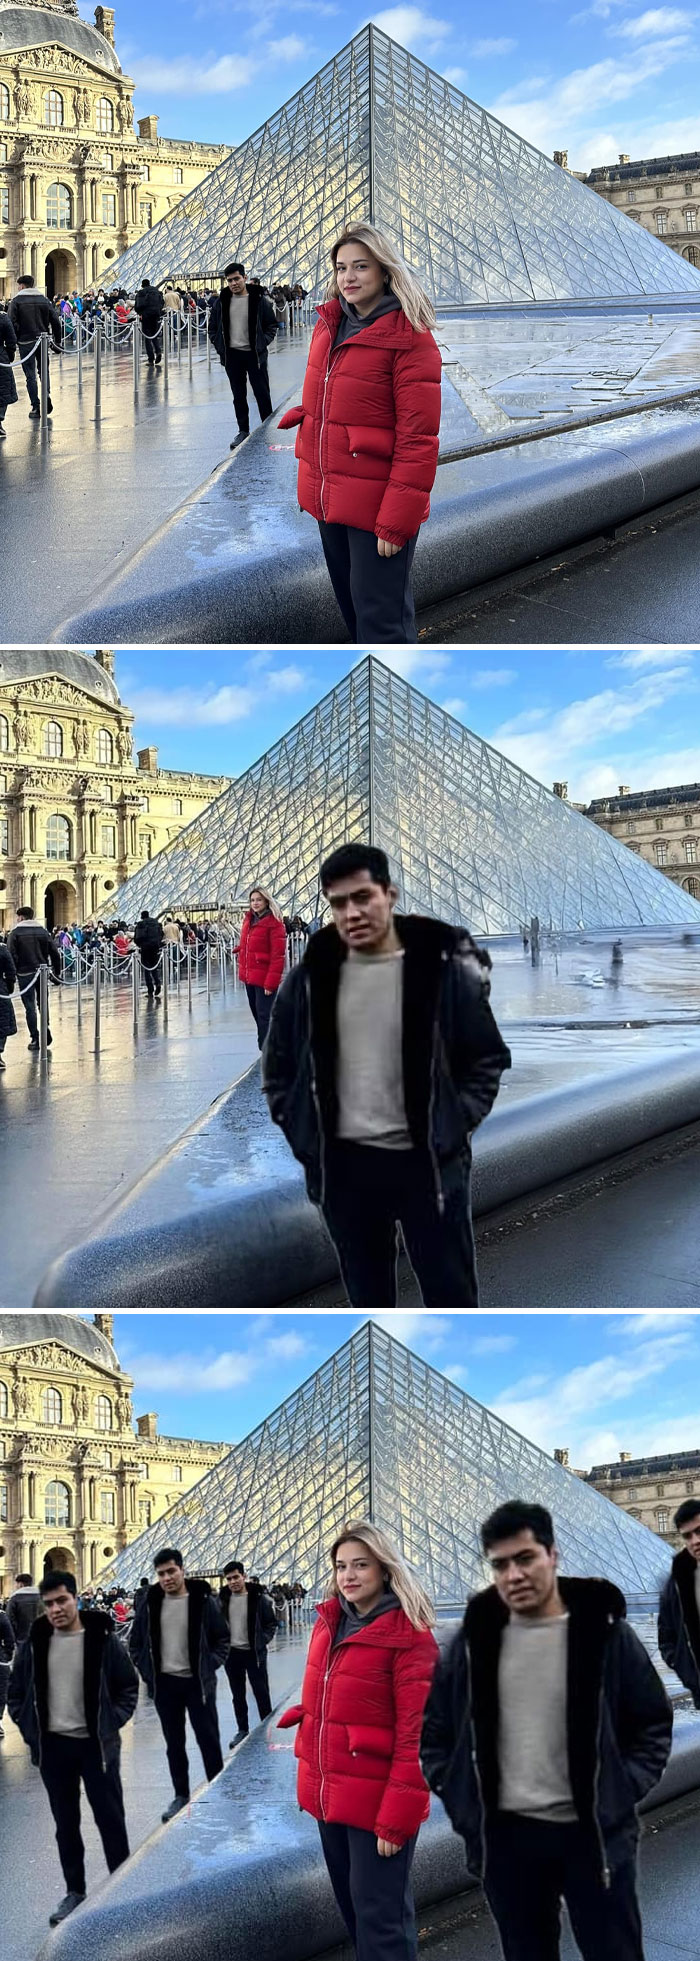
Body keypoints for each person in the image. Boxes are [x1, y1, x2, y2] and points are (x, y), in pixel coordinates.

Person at [420, 1499, 673, 1961]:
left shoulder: (609, 1636)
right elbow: (436, 1735)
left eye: (525, 1558)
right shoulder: (472, 1646)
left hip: (591, 1836)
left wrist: (618, 1788)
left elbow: (652, 1724)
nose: (513, 1574)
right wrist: (465, 1809)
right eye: (500, 1564)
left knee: (614, 1952)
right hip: (508, 1841)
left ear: (553, 1555)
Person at [262, 843, 510, 1312]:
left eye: (362, 897)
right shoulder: (307, 981)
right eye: (337, 903)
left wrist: (452, 1128)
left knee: (451, 1298)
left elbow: (486, 1058)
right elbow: (278, 1073)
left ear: (389, 895)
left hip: (429, 1169)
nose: (350, 912)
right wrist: (311, 1148)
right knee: (368, 1299)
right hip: (347, 1174)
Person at [278, 1521, 438, 1961]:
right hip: (331, 1793)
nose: (348, 1575)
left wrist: (397, 1816)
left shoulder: (410, 1637)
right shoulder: (328, 1624)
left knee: (382, 1923)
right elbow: (331, 1691)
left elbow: (419, 1735)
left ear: (384, 1570)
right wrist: (311, 1718)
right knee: (354, 1912)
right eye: (340, 1565)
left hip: (378, 1802)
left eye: (360, 1565)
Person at [278, 223, 441, 643]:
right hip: (329, 497)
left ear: (385, 271)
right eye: (340, 267)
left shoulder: (411, 338)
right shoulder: (328, 325)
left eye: (361, 267)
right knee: (353, 613)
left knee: (383, 624)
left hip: (377, 505)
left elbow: (418, 438)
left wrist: (396, 520)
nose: (348, 277)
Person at [8, 1569, 137, 1927]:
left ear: (75, 1598)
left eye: (62, 1600)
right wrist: (32, 1733)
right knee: (66, 1824)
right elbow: (16, 1694)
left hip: (97, 1747)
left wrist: (111, 1723)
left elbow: (128, 1686)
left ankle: (122, 1889)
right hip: (54, 1751)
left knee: (110, 1819)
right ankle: (74, 1890)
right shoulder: (34, 1645)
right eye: (48, 1604)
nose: (56, 1609)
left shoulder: (103, 1640)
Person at [129, 1546, 229, 1822]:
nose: (166, 1577)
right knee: (174, 1743)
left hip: (198, 1684)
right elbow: (135, 1644)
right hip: (165, 1686)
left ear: (182, 1570)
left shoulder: (203, 1601)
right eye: (161, 1573)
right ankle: (180, 1795)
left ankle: (217, 1789)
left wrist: (210, 1665)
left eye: (171, 1571)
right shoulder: (150, 1604)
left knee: (208, 1739)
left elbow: (222, 1638)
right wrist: (149, 1675)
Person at [208, 260, 278, 450]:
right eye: (229, 280)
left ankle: (267, 427)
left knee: (262, 393)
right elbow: (212, 327)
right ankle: (243, 430)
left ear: (245, 278)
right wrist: (220, 348)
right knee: (238, 395)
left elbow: (272, 325)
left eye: (236, 279)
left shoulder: (258, 300)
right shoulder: (221, 303)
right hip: (232, 356)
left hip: (255, 355)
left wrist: (262, 343)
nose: (233, 283)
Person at [219, 1560, 278, 1745]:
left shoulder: (260, 1599)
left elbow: (271, 1624)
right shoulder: (222, 1601)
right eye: (229, 1579)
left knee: (262, 1692)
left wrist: (262, 1641)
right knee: (238, 1695)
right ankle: (242, 1730)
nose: (233, 1582)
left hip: (254, 1653)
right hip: (232, 1655)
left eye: (236, 1577)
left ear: (243, 1576)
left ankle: (267, 1728)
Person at [658, 1497, 700, 1706]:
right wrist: (687, 1672)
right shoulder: (674, 1586)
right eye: (687, 1536)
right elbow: (666, 1637)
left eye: (699, 1531)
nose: (694, 1541)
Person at [238, 886, 287, 1050]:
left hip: (265, 976)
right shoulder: (248, 920)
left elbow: (278, 956)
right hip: (249, 975)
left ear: (266, 900)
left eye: (258, 900)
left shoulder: (274, 923)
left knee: (264, 1015)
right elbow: (249, 942)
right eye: (252, 900)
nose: (255, 903)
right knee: (257, 1013)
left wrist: (271, 983)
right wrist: (241, 950)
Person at [7, 905, 62, 1050]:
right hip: (42, 972)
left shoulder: (15, 933)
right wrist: (57, 973)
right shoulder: (43, 932)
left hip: (25, 973)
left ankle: (35, 1037)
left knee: (29, 1007)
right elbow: (55, 954)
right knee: (43, 1003)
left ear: (21, 917)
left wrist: (10, 976)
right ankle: (46, 1029)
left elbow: (10, 955)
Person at [8, 274, 61, 419]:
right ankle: (47, 396)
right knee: (44, 371)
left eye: (19, 285)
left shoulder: (16, 301)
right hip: (43, 340)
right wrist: (58, 342)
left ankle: (36, 405)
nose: (18, 288)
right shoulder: (44, 300)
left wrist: (11, 344)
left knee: (30, 375)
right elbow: (56, 321)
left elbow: (10, 323)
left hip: (25, 341)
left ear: (22, 286)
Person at [133, 907, 164, 1001]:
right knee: (154, 967)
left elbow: (137, 937)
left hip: (145, 948)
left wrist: (140, 945)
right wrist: (157, 943)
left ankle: (150, 990)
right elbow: (161, 934)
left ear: (142, 916)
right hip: (155, 947)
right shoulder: (155, 923)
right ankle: (157, 982)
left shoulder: (141, 924)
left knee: (146, 969)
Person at [134, 277, 165, 367]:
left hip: (146, 315)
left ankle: (151, 359)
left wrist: (140, 312)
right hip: (155, 315)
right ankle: (158, 351)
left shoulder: (141, 292)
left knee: (147, 337)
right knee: (154, 334)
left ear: (143, 285)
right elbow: (162, 302)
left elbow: (138, 306)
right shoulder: (156, 291)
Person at [0, 303, 18, 440]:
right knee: (3, 389)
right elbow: (11, 340)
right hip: (1, 356)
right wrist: (9, 355)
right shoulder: (3, 317)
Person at [7, 1571, 42, 1641]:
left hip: (21, 1637)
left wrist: (15, 1635)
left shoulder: (14, 1598)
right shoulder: (42, 1597)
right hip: (41, 1636)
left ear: (21, 1584)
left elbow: (10, 1618)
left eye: (16, 1584)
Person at [0, 935, 18, 1069]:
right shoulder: (2, 949)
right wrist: (9, 986)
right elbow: (10, 970)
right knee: (2, 1021)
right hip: (1, 988)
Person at [0, 1603, 15, 1737]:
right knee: (1, 1692)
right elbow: (9, 1639)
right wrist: (6, 1655)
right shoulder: (1, 1615)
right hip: (0, 1660)